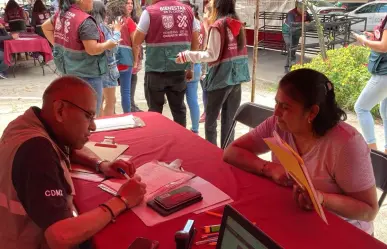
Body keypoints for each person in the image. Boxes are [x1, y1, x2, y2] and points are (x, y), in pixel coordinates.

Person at [223, 69, 378, 235]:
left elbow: (369, 211)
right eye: (276, 103)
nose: (276, 112)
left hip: (341, 230)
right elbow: (231, 152)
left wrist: (320, 198)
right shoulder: (279, 124)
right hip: (293, 216)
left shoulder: (346, 144)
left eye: (285, 107)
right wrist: (269, 168)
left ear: (312, 112)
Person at [0, 76, 147, 248]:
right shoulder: (37, 152)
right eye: (88, 116)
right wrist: (122, 200)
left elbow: (68, 146)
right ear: (60, 110)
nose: (93, 126)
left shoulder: (26, 124)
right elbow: (60, 236)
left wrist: (101, 164)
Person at [176, 0, 250, 147]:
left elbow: (211, 55)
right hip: (236, 78)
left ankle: (213, 153)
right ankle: (227, 153)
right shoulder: (236, 23)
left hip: (221, 79)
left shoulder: (218, 26)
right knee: (229, 121)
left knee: (210, 122)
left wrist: (187, 55)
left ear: (217, 6)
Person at [42, 0, 119, 115]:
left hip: (68, 72)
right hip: (88, 75)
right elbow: (92, 49)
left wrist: (59, 45)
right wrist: (108, 44)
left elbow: (45, 27)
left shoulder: (62, 14)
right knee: (89, 115)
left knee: (74, 113)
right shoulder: (85, 21)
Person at [133, 0, 200, 127]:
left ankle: (157, 141)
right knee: (179, 110)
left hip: (155, 71)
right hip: (179, 70)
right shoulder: (188, 11)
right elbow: (196, 42)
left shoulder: (150, 12)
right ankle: (181, 141)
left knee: (154, 111)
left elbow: (136, 40)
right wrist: (190, 66)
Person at [354, 16, 387, 154]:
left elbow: (384, 47)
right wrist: (373, 37)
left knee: (361, 108)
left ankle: (373, 152)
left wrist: (364, 41)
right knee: (385, 112)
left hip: (384, 74)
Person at [107, 0, 139, 113]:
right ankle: (127, 115)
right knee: (125, 92)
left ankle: (111, 115)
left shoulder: (107, 21)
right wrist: (136, 60)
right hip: (126, 60)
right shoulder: (128, 21)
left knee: (109, 92)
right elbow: (135, 43)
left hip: (110, 60)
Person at [92, 0, 121, 116]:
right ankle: (107, 125)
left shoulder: (89, 25)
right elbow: (113, 47)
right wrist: (117, 31)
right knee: (110, 101)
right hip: (108, 67)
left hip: (95, 67)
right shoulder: (102, 27)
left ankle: (100, 123)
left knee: (99, 101)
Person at [182, 1, 201, 134]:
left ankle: (184, 129)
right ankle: (195, 129)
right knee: (193, 98)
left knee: (178, 101)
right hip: (197, 63)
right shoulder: (200, 24)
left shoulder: (184, 25)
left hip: (186, 64)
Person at [281, 0, 312, 73]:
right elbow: (292, 24)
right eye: (301, 9)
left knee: (293, 49)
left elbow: (310, 20)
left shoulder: (305, 13)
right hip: (287, 32)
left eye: (304, 10)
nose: (303, 11)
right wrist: (304, 23)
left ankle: (290, 65)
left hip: (297, 33)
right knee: (290, 46)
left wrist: (308, 22)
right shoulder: (291, 13)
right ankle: (289, 65)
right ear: (297, 8)